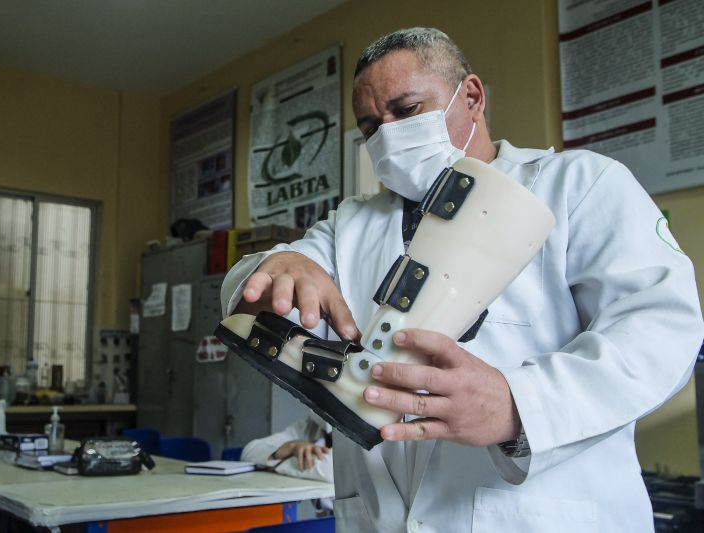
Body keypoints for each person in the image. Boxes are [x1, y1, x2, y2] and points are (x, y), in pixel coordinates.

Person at [221, 27, 704, 532]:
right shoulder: (350, 224)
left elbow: (660, 329)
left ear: (471, 97)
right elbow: (256, 294)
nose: (387, 135)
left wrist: (517, 406)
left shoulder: (577, 186)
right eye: (369, 126)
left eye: (406, 111)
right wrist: (273, 265)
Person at [240, 411, 333, 484]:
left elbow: (331, 470)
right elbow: (249, 451)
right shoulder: (316, 423)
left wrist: (273, 464)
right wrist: (291, 447)